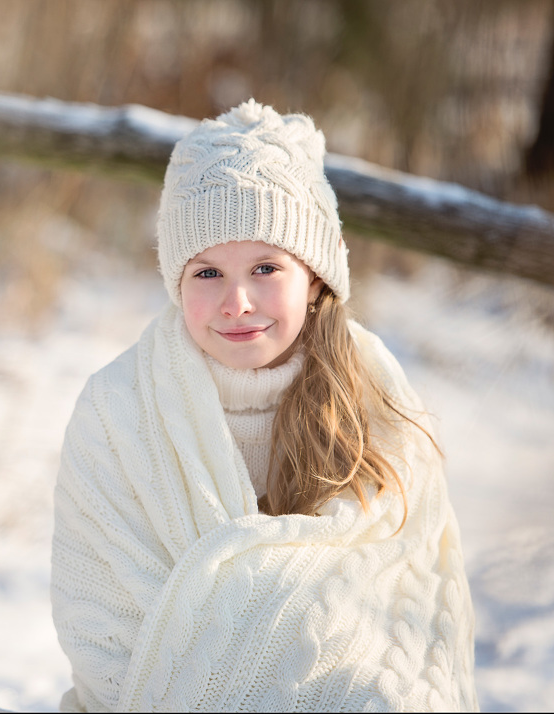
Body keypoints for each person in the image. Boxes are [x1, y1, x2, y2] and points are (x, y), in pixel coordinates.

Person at [50, 99, 477, 712]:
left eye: (265, 267)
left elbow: (408, 622)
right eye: (207, 274)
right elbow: (102, 631)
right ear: (176, 281)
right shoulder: (116, 414)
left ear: (316, 277)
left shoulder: (374, 403)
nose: (237, 301)